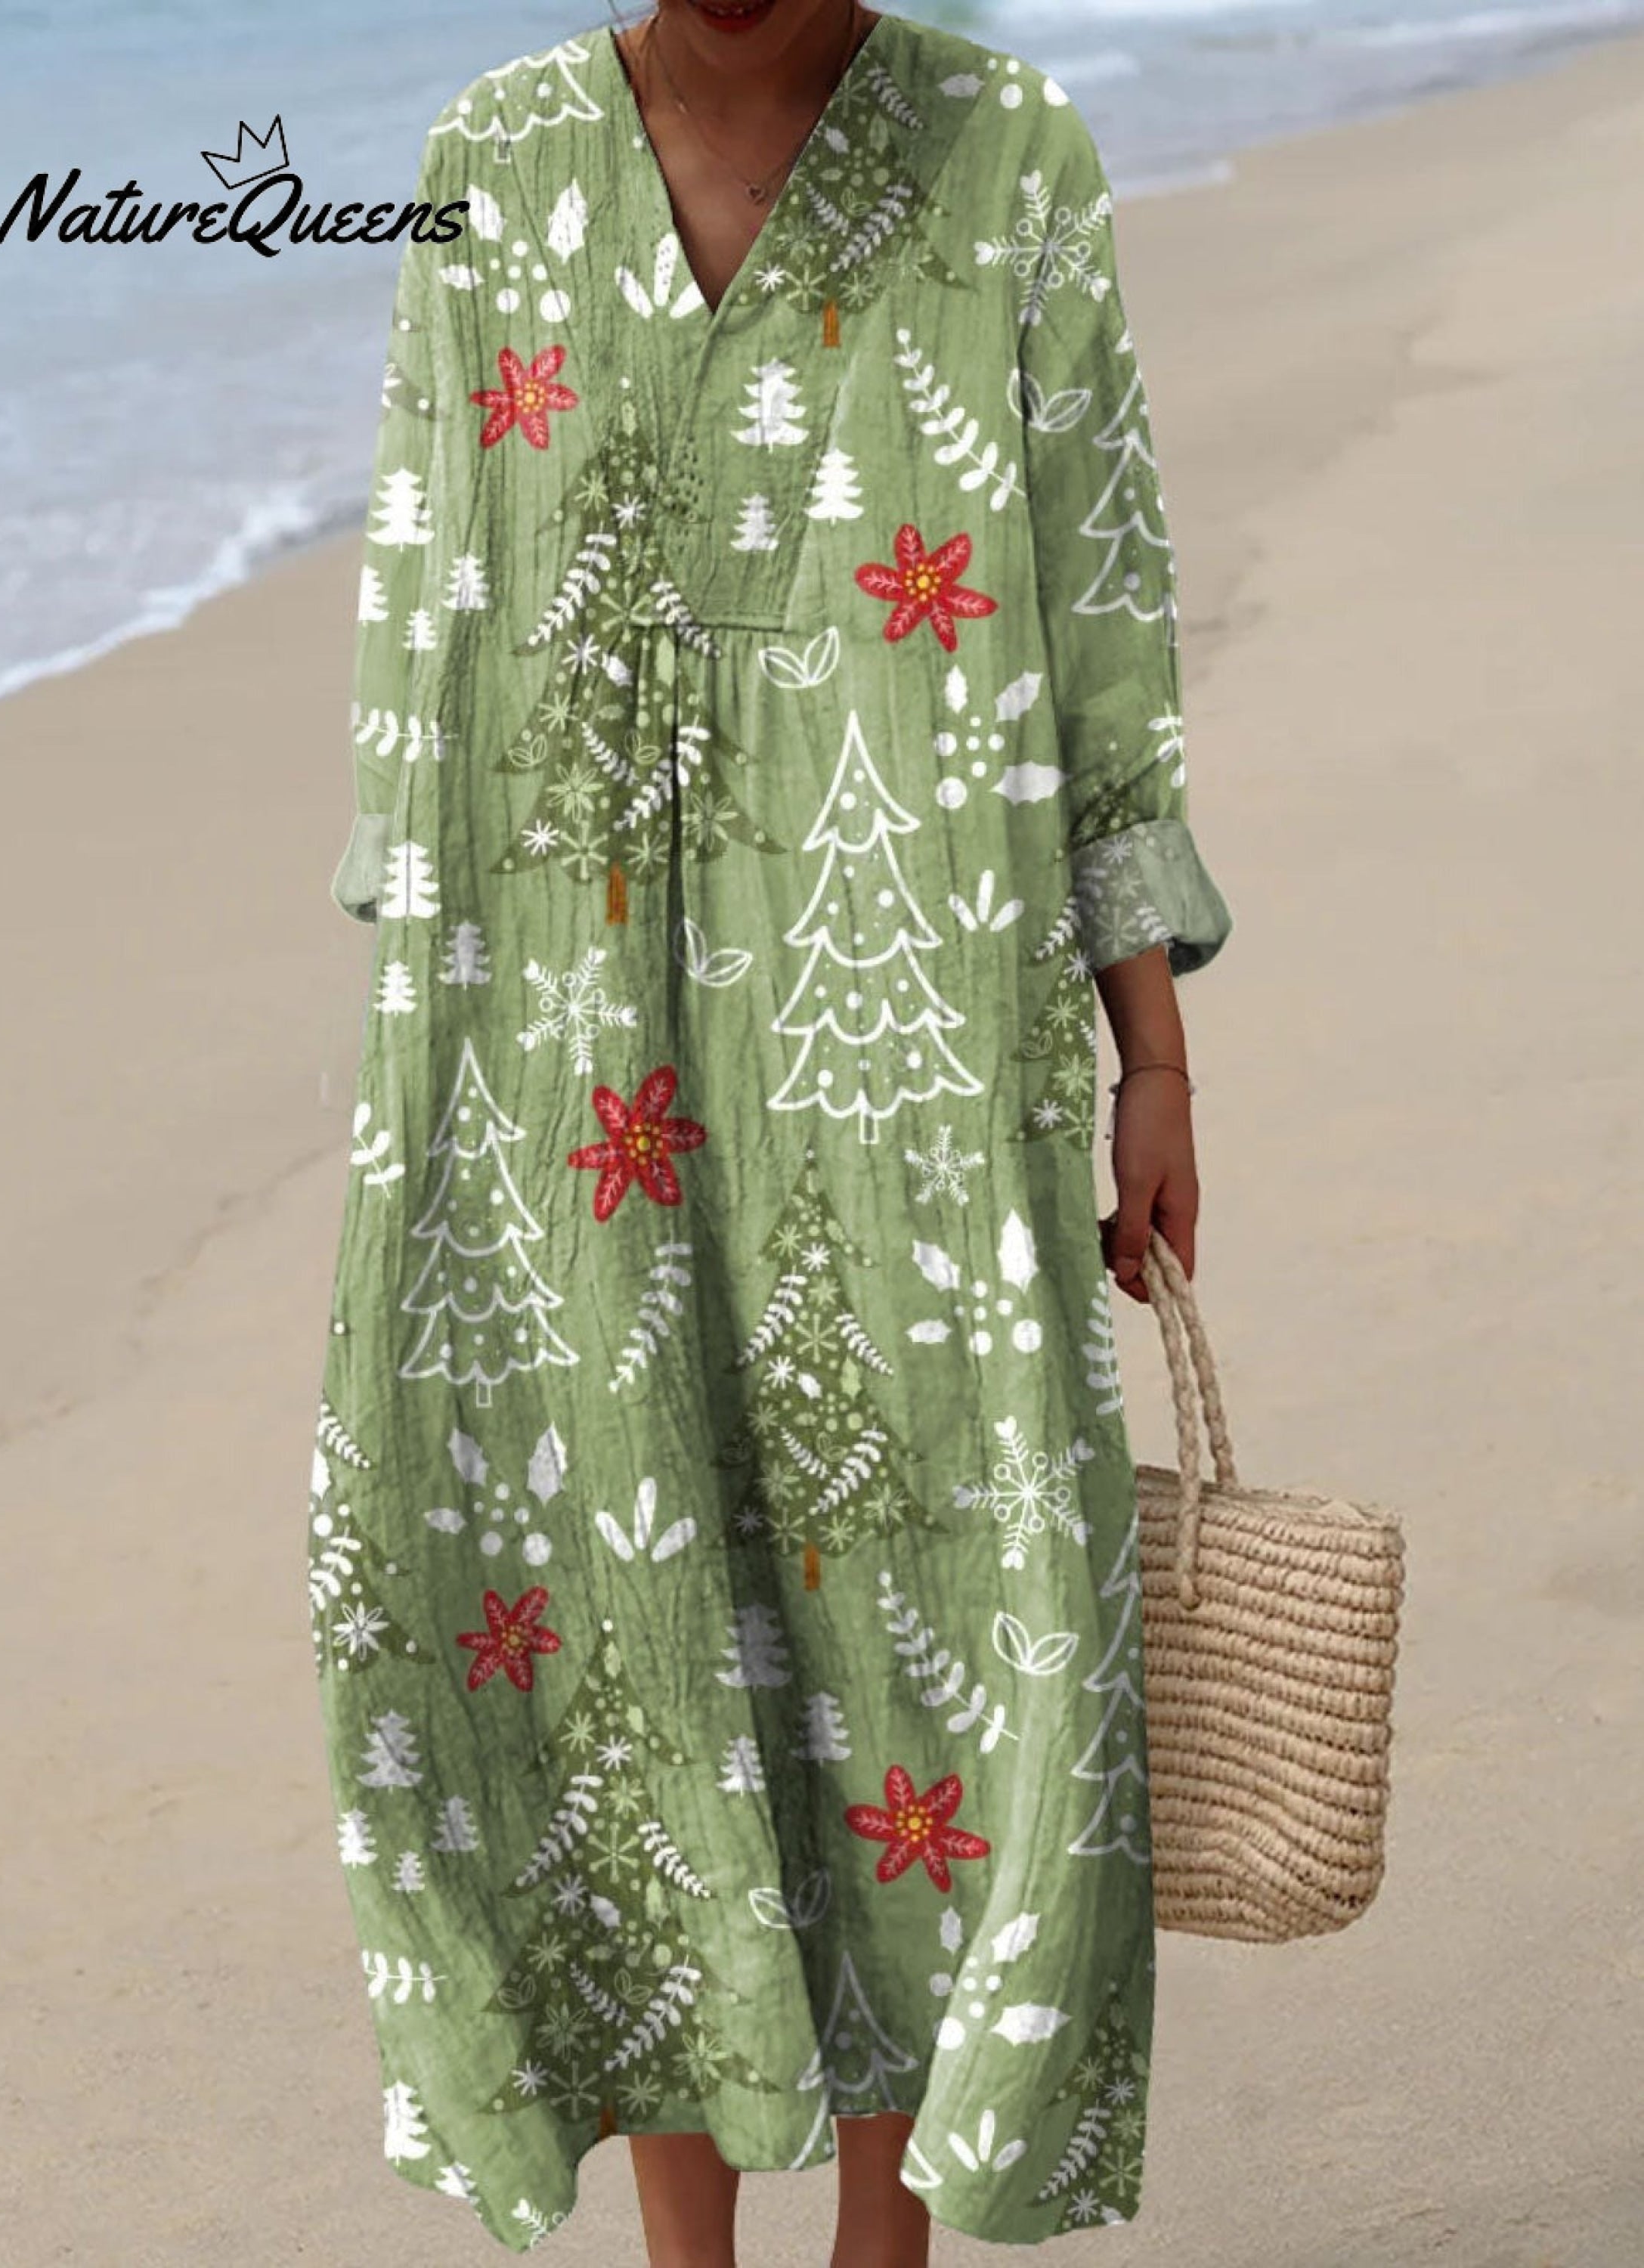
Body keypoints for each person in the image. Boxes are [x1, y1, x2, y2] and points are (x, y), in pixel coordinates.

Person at [311, 3, 1233, 2263]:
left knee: (925, 1610)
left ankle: (885, 2253)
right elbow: (422, 652)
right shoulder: (491, 165)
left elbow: (1099, 622)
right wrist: (436, 1089)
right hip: (565, 1040)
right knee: (623, 1611)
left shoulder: (1006, 153)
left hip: (912, 1031)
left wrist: (1156, 1054)